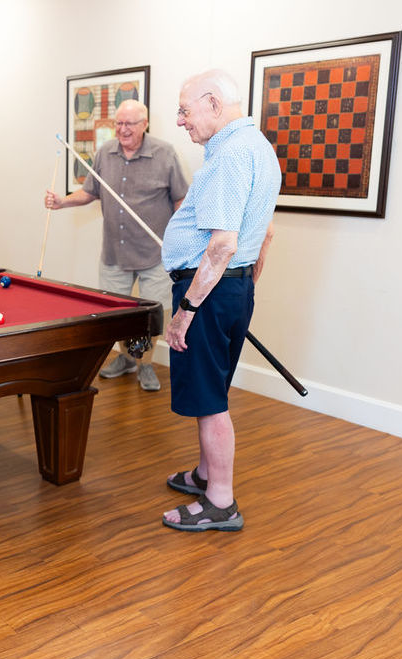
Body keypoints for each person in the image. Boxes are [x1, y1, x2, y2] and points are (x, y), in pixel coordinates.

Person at [160, 70, 280, 532]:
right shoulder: (259, 147)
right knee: (214, 390)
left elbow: (222, 244)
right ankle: (207, 474)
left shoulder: (229, 155)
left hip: (207, 290)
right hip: (230, 288)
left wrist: (187, 311)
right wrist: (241, 290)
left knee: (211, 402)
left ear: (212, 103)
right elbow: (265, 233)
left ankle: (220, 503)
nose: (180, 121)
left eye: (185, 110)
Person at [45, 99, 188, 391]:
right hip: (114, 252)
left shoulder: (165, 154)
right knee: (116, 314)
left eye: (129, 124)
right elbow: (90, 192)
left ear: (144, 124)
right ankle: (125, 358)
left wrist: (179, 240)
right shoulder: (104, 153)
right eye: (118, 123)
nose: (122, 130)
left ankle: (145, 364)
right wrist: (62, 202)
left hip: (155, 254)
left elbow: (180, 200)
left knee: (153, 315)